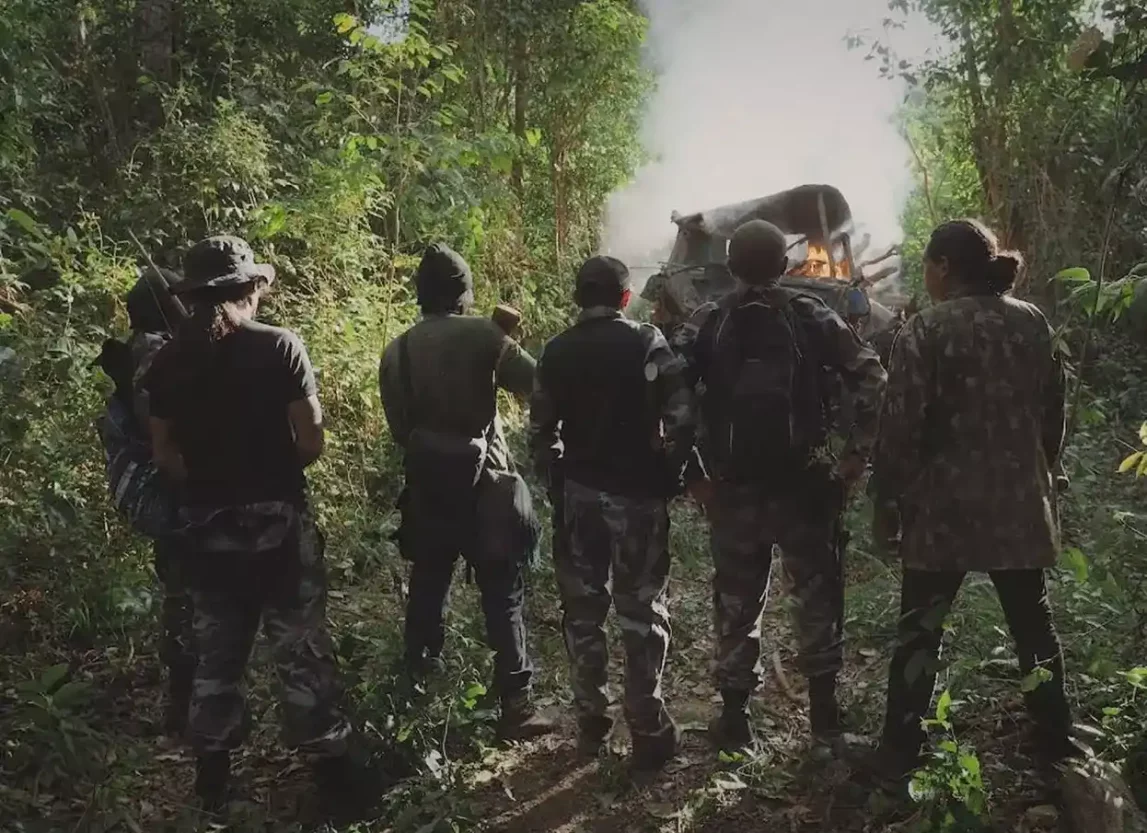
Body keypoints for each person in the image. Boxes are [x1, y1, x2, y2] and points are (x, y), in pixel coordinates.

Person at [142, 236, 373, 815]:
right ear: (251, 289)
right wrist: (266, 475)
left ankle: (213, 783)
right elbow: (311, 439)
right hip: (277, 522)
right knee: (299, 644)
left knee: (218, 650)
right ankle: (334, 779)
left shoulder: (166, 361)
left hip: (204, 526)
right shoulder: (280, 347)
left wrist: (210, 484)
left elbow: (164, 454)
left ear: (192, 295)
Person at [870, 219, 1074, 777]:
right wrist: (1041, 471)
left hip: (942, 510)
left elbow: (900, 427)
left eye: (928, 267)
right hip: (1018, 504)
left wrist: (885, 497)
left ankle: (899, 754)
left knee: (920, 630)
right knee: (1033, 626)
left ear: (942, 268)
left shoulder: (926, 330)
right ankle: (1058, 741)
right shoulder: (1032, 321)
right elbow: (1053, 411)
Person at [673, 220, 887, 750]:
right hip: (805, 484)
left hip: (733, 486)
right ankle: (824, 722)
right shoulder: (811, 313)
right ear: (784, 264)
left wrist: (693, 471)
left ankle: (735, 720)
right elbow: (872, 374)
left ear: (730, 265)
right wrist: (854, 457)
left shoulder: (709, 318)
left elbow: (670, 391)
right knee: (817, 595)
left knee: (737, 600)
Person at [529, 256, 698, 771]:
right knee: (641, 610)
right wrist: (669, 471)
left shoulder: (554, 352)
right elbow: (683, 415)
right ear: (625, 297)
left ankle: (591, 726)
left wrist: (561, 480)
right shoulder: (647, 341)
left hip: (580, 495)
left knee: (583, 612)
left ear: (578, 296)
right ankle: (646, 726)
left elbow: (540, 433)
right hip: (638, 496)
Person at [379, 243, 553, 741]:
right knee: (503, 592)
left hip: (429, 486)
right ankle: (516, 708)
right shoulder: (486, 334)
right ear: (464, 293)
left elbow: (398, 427)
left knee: (429, 587)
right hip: (488, 487)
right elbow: (538, 383)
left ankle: (414, 700)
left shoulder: (398, 350)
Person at [95, 267, 196, 736]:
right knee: (191, 599)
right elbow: (169, 429)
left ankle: (185, 704)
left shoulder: (142, 351)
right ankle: (190, 707)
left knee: (182, 599)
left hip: (170, 493)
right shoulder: (156, 355)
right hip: (179, 493)